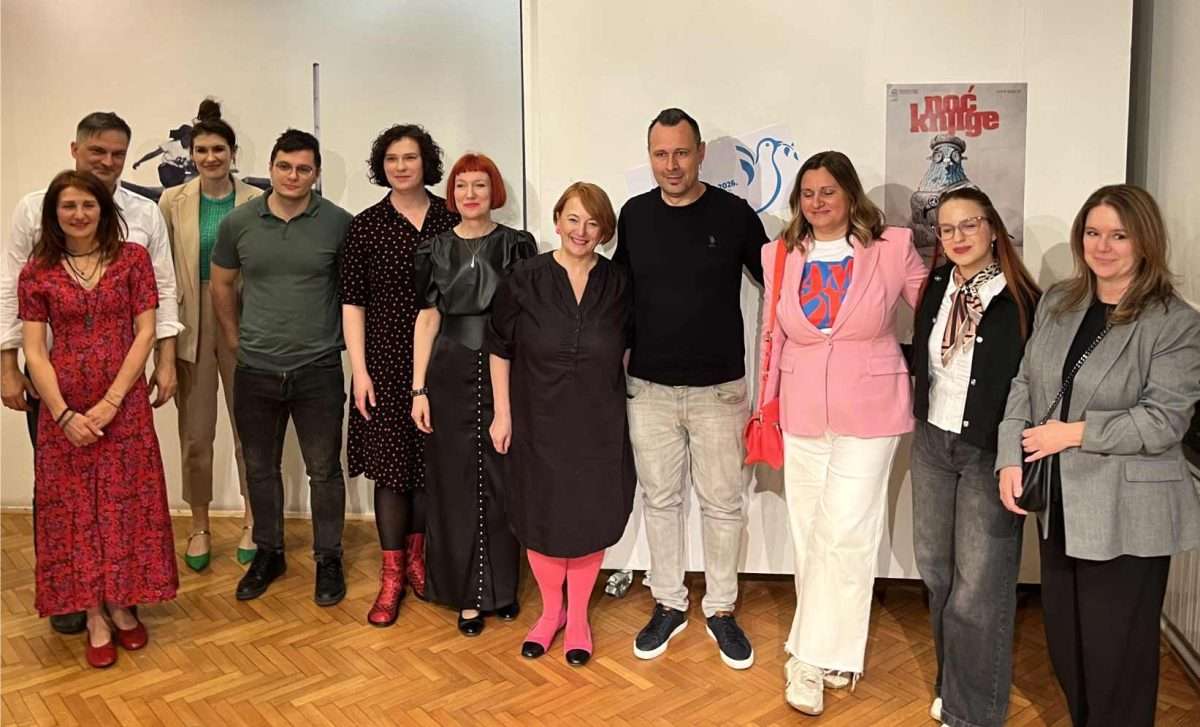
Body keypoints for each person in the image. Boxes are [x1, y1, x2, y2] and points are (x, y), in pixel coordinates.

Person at [997, 184, 1200, 727]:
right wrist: (1009, 456)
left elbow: (1164, 420)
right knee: (1068, 649)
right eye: (1093, 233)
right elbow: (1024, 383)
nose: (1102, 247)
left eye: (1118, 235)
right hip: (1062, 505)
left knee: (1117, 659)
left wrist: (1072, 435)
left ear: (1145, 241)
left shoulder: (1175, 322)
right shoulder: (1059, 302)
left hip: (1129, 515)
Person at [0, 111, 181, 637]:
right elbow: (11, 293)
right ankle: (79, 601)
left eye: (117, 153)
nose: (107, 161)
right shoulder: (33, 224)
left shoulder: (141, 224)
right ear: (75, 148)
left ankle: (122, 598)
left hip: (121, 389)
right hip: (56, 390)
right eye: (97, 151)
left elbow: (162, 295)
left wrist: (164, 360)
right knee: (67, 501)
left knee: (127, 497)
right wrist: (10, 367)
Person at [760, 151, 927, 715]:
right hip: (802, 408)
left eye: (828, 191)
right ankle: (834, 653)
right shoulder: (779, 254)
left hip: (872, 410)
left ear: (850, 194)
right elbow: (772, 336)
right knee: (809, 531)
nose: (817, 202)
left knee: (846, 533)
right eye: (808, 193)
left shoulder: (893, 247)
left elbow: (934, 311)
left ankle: (806, 661)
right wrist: (765, 406)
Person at [614, 108, 767, 670]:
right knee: (660, 501)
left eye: (681, 152)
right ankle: (669, 604)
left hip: (719, 390)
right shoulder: (634, 215)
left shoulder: (734, 214)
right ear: (650, 156)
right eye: (661, 154)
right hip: (648, 388)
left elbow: (779, 283)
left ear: (701, 153)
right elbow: (618, 295)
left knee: (723, 504)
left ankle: (721, 609)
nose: (672, 165)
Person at [487, 182, 635, 665]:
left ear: (604, 231)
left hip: (598, 422)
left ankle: (578, 619)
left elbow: (629, 348)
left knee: (589, 516)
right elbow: (499, 347)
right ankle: (552, 612)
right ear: (557, 221)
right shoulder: (524, 278)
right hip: (537, 418)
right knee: (542, 515)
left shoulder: (619, 283)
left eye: (592, 222)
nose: (581, 231)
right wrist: (502, 413)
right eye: (573, 219)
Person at [909, 188, 1041, 727]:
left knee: (978, 587)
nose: (958, 237)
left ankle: (974, 713)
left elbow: (1030, 386)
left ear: (992, 228)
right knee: (936, 572)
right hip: (932, 443)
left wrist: (1014, 453)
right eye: (947, 229)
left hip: (987, 451)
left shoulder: (1020, 299)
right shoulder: (937, 285)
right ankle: (954, 685)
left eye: (969, 225)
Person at [210, 129, 353, 606]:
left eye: (303, 168)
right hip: (256, 369)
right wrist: (235, 341)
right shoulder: (238, 223)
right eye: (284, 166)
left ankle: (328, 558)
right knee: (259, 468)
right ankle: (268, 553)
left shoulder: (338, 224)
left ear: (316, 174)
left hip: (318, 368)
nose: (293, 176)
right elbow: (221, 285)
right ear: (270, 167)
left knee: (324, 470)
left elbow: (353, 294)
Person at [410, 152, 535, 636]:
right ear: (452, 193)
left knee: (503, 481)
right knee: (454, 484)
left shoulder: (517, 245)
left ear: (493, 191)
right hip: (449, 373)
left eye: (479, 185)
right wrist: (418, 389)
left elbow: (527, 317)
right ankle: (466, 595)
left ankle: (501, 590)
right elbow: (427, 318)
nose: (470, 194)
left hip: (505, 371)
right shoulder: (434, 249)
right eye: (462, 186)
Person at [342, 124, 460, 626]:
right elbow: (352, 304)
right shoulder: (365, 226)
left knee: (428, 468)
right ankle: (391, 576)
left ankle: (418, 560)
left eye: (410, 157)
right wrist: (359, 371)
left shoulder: (451, 218)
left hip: (443, 363)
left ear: (425, 162)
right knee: (391, 471)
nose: (401, 166)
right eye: (391, 159)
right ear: (381, 166)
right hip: (384, 366)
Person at [158, 99, 262, 571]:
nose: (210, 157)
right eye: (201, 150)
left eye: (219, 149)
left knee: (250, 431)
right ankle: (199, 525)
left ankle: (253, 520)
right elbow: (163, 273)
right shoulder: (172, 201)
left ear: (233, 153)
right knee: (196, 434)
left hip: (244, 318)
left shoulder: (256, 201)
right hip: (191, 323)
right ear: (192, 154)